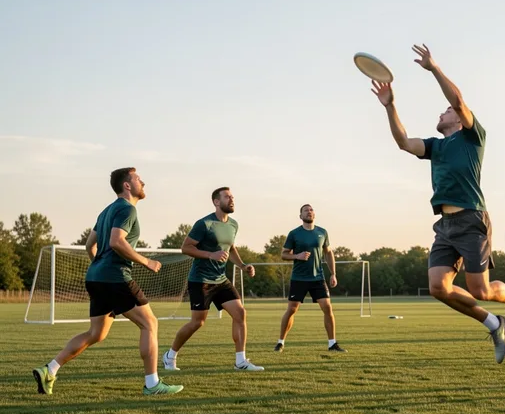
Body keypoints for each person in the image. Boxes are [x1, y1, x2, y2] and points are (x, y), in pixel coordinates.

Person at [372, 44, 505, 363]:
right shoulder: (436, 146)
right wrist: (390, 106)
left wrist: (434, 68)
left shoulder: (473, 138)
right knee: (438, 287)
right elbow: (403, 142)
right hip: (445, 225)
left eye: (446, 111)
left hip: (472, 219)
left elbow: (459, 101)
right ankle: (494, 323)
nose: (442, 113)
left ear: (461, 120)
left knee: (480, 290)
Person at [32, 167, 183, 396]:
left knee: (96, 333)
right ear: (127, 185)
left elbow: (89, 245)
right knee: (149, 324)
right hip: (115, 277)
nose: (143, 182)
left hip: (95, 277)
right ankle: (152, 384)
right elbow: (116, 241)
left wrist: (100, 266)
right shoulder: (128, 209)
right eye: (138, 179)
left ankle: (49, 369)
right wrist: (146, 262)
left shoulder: (106, 211)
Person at [162, 187, 263, 372]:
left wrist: (242, 265)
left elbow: (231, 248)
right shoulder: (204, 224)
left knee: (240, 313)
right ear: (216, 202)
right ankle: (170, 355)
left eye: (232, 196)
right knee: (197, 322)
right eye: (227, 197)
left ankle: (240, 361)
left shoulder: (233, 225)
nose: (231, 199)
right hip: (201, 280)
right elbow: (186, 248)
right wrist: (210, 254)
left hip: (221, 280)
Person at [274, 204, 345, 352]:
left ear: (314, 214)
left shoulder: (322, 232)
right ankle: (280, 342)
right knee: (292, 309)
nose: (309, 212)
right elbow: (284, 254)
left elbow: (328, 253)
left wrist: (333, 273)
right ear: (300, 216)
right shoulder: (294, 233)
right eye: (305, 210)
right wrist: (297, 256)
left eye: (311, 210)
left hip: (318, 278)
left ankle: (332, 344)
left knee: (327, 308)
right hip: (299, 278)